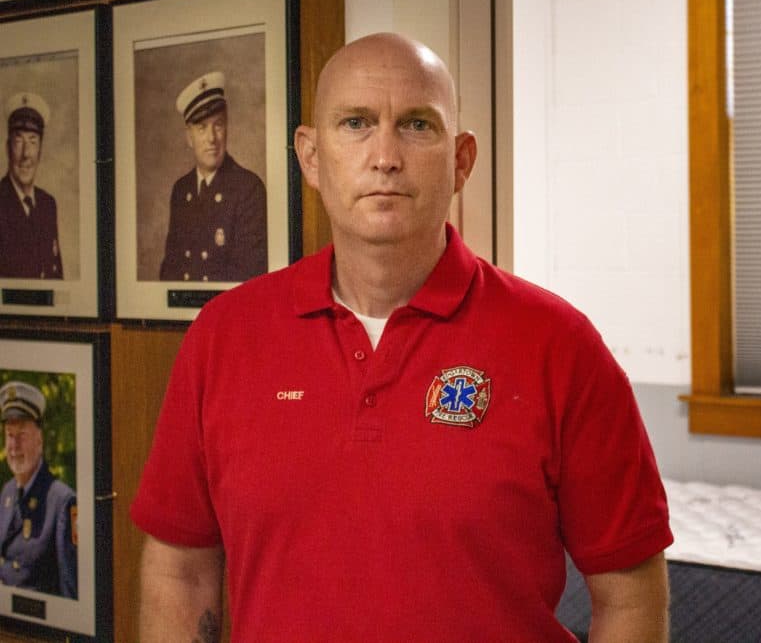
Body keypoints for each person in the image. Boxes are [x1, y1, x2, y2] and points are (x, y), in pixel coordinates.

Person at [132, 33, 671, 642]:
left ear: (461, 160)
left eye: (416, 125)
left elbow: (630, 594)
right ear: (310, 157)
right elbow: (179, 573)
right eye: (356, 123)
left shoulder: (561, 347)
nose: (385, 155)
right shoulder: (224, 339)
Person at [159, 71, 267, 282]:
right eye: (201, 128)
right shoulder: (181, 190)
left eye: (217, 125)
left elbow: (249, 277)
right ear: (189, 137)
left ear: (226, 128)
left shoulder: (248, 189)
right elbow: (171, 269)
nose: (211, 138)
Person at [0, 381, 77, 598]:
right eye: (9, 435)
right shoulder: (7, 493)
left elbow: (70, 592)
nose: (14, 446)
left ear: (39, 440)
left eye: (22, 435)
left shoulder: (63, 502)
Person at [0, 92, 64, 279]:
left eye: (33, 142)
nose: (26, 153)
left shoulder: (48, 204)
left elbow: (56, 278)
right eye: (19, 141)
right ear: (7, 148)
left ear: (41, 150)